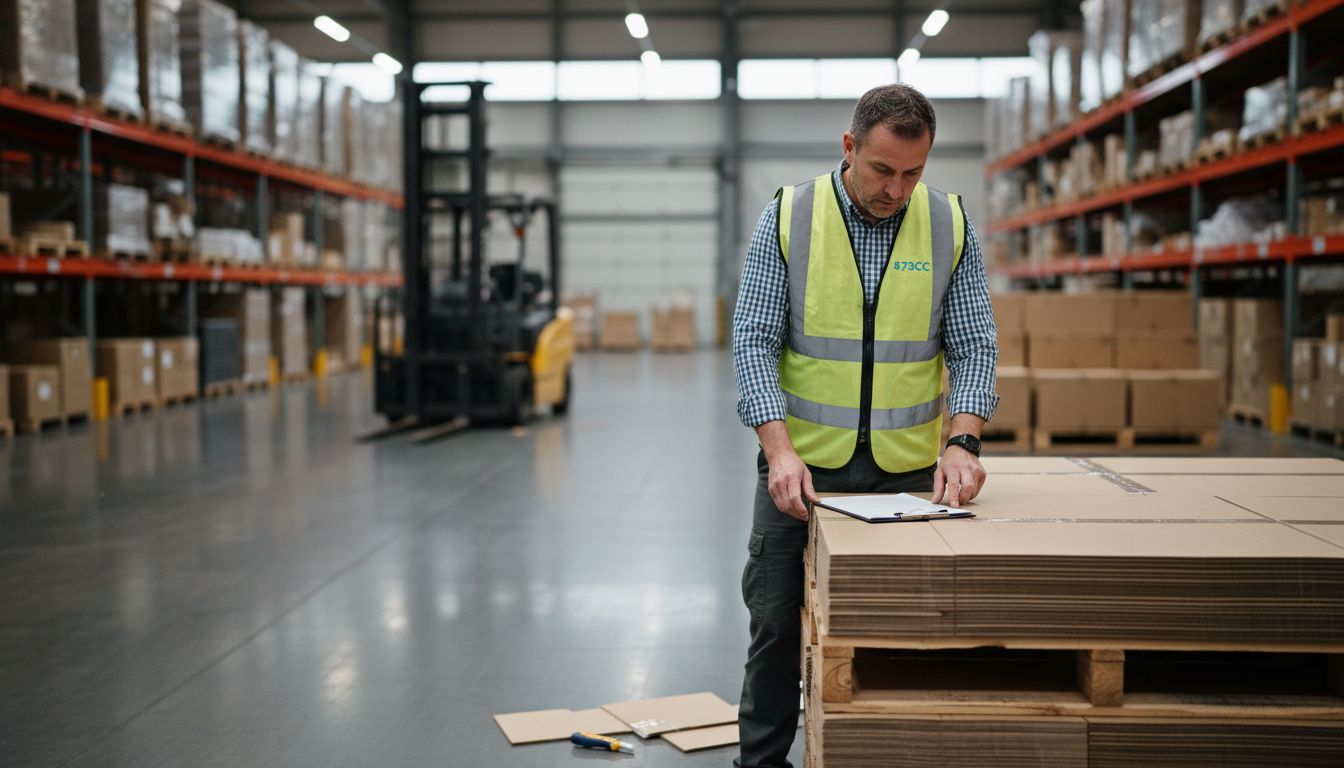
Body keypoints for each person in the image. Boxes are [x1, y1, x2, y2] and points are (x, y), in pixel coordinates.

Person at [731, 83, 999, 768]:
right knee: (774, 629)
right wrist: (779, 451)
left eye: (913, 172)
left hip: (907, 474)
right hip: (801, 475)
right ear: (849, 147)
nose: (897, 188)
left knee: (900, 636)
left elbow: (974, 344)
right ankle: (761, 763)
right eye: (883, 169)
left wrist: (963, 440)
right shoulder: (790, 217)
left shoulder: (948, 224)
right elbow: (753, 340)